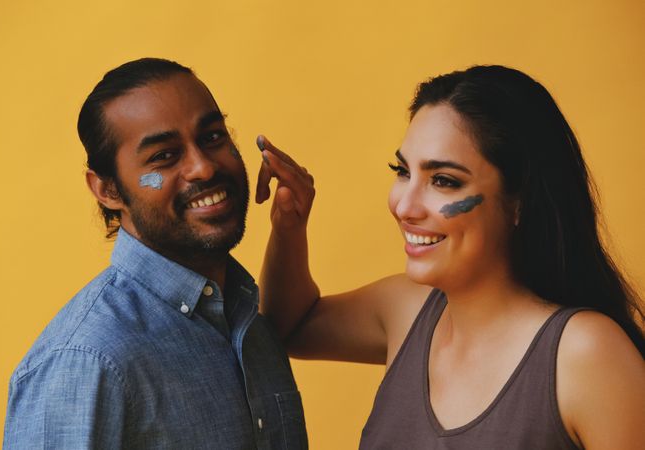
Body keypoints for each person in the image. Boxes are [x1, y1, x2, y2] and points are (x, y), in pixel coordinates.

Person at [258, 65, 645, 449]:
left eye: (443, 180)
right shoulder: (407, 309)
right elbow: (287, 327)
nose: (405, 206)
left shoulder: (584, 353)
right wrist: (289, 225)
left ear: (520, 202)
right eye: (402, 171)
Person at [3, 58, 309, 449]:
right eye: (164, 156)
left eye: (213, 136)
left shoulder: (248, 320)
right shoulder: (86, 361)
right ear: (108, 190)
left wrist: (290, 228)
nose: (202, 167)